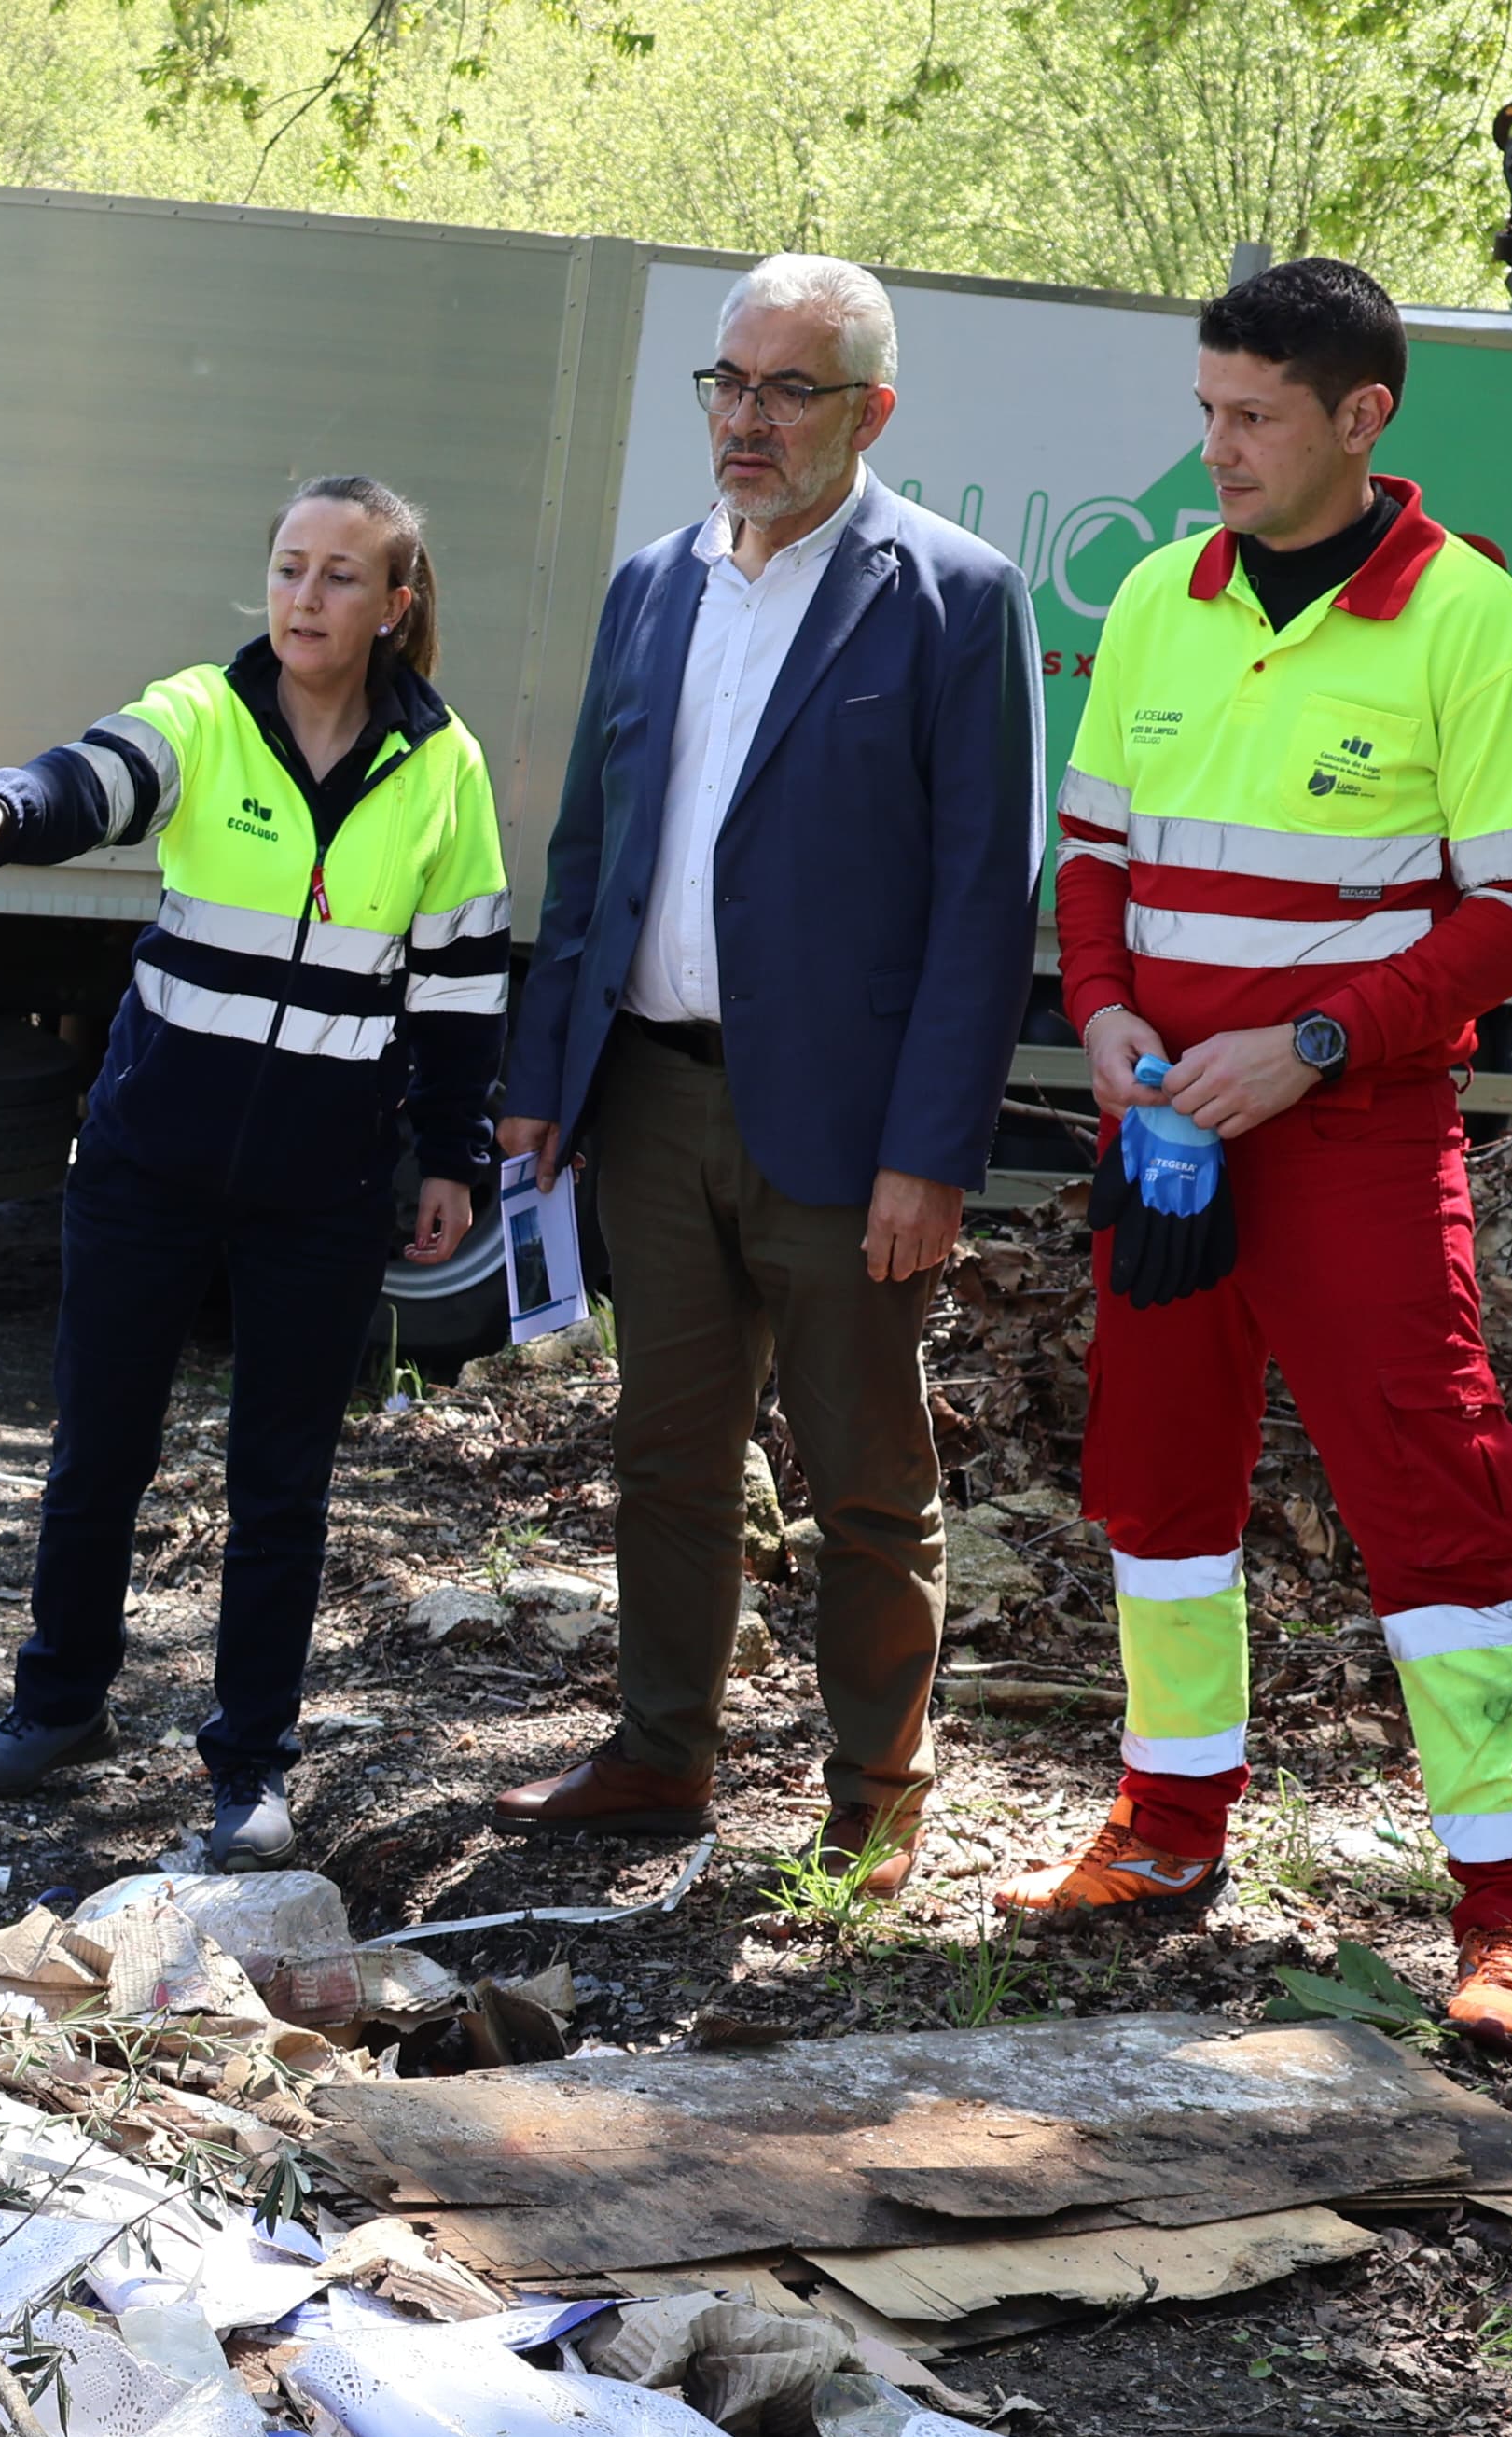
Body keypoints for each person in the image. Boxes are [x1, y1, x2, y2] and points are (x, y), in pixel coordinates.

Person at [991, 258, 1512, 2054]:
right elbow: (1093, 856)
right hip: (1165, 1130)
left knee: (1434, 1491)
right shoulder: (1158, 596)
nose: (1219, 448)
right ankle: (1169, 1823)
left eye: (1254, 416)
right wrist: (1104, 1016)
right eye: (1208, 411)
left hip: (1355, 1139)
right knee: (1156, 1483)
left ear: (1361, 417)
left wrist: (1314, 1042)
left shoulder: (1466, 616)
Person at [484, 256, 1042, 1896]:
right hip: (649, 1101)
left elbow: (981, 901)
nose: (746, 418)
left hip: (849, 1133)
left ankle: (876, 1798)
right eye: (729, 383)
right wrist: (544, 1075)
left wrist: (931, 1150)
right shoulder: (654, 584)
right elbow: (587, 850)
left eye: (788, 390)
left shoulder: (954, 595)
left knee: (866, 1480)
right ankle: (661, 1754)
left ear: (871, 411)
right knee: (667, 1454)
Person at [0, 479, 506, 1867]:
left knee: (280, 1483)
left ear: (395, 604)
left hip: (322, 1189)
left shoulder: (443, 765)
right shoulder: (205, 713)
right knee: (98, 1450)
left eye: (340, 575)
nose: (305, 597)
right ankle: (60, 1706)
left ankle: (250, 1765)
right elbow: (94, 775)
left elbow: (464, 981)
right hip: (148, 1164)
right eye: (289, 567)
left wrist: (453, 1156)